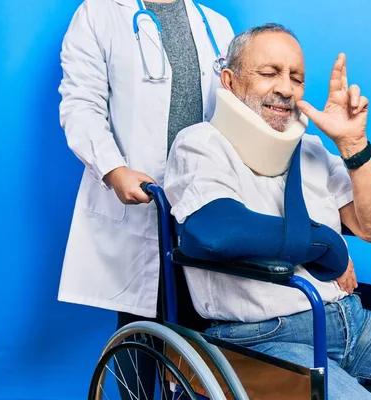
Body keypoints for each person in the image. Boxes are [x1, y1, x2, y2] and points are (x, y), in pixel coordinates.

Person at [164, 24, 371, 399]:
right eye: (269, 73)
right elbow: (215, 232)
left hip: (350, 320)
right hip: (262, 337)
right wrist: (326, 242)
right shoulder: (201, 143)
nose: (286, 89)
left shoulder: (311, 150)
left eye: (296, 78)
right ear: (229, 80)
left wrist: (352, 144)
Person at [57, 0, 234, 397]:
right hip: (142, 206)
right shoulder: (99, 13)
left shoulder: (216, 25)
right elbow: (80, 104)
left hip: (204, 209)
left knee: (204, 346)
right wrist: (113, 169)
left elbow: (237, 111)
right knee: (141, 337)